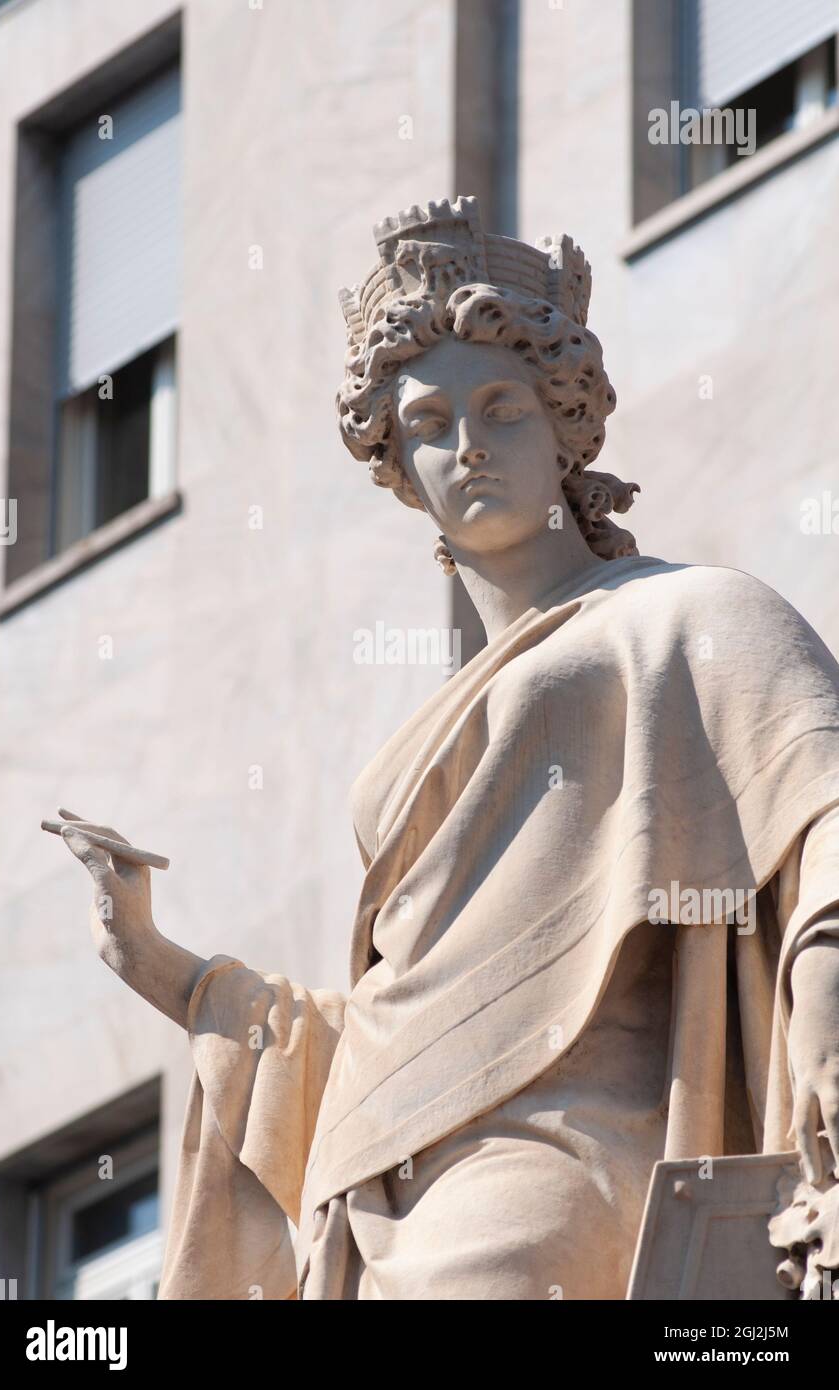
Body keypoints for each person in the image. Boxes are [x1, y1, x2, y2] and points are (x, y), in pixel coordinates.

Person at [53, 197, 839, 1300]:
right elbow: (391, 1031)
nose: (466, 446)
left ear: (564, 423)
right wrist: (164, 966)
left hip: (557, 1151)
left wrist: (830, 1062)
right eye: (427, 424)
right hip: (380, 1187)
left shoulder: (691, 615)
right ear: (395, 461)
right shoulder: (410, 746)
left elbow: (824, 836)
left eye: (503, 408)